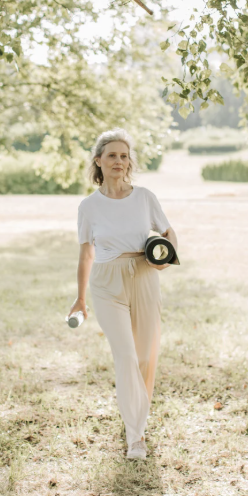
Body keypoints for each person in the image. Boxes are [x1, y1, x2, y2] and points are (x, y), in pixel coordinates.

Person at [68, 128, 178, 461]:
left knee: (145, 357)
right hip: (106, 282)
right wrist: (80, 299)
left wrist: (168, 256)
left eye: (124, 156)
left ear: (129, 162)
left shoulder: (145, 197)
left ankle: (136, 420)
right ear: (98, 161)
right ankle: (136, 437)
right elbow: (86, 254)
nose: (119, 161)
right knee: (126, 357)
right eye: (112, 155)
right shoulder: (88, 206)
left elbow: (168, 231)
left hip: (144, 276)